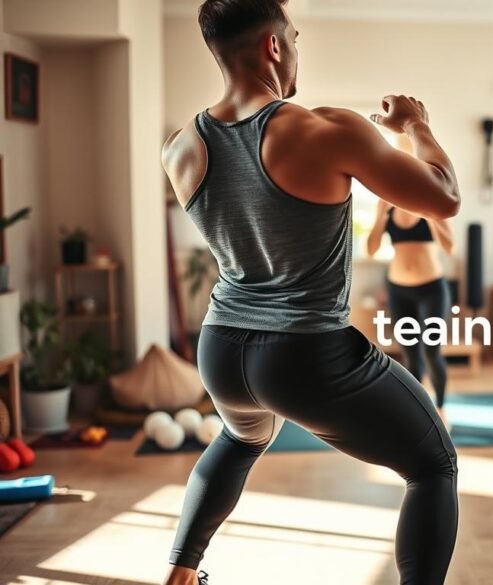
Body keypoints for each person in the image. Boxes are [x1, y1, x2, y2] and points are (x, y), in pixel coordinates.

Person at [159, 1, 461, 582]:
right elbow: (444, 196)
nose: (296, 48)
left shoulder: (180, 147)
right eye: (293, 36)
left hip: (221, 348)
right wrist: (416, 126)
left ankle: (180, 574)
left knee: (239, 436)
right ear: (274, 45)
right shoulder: (324, 130)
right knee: (433, 465)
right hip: (302, 355)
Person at [367, 199, 455, 425]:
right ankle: (420, 411)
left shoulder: (431, 207)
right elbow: (371, 249)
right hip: (399, 292)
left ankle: (441, 407)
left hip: (432, 290)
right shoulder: (389, 209)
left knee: (432, 350)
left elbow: (450, 247)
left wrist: (432, 215)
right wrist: (380, 215)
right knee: (411, 354)